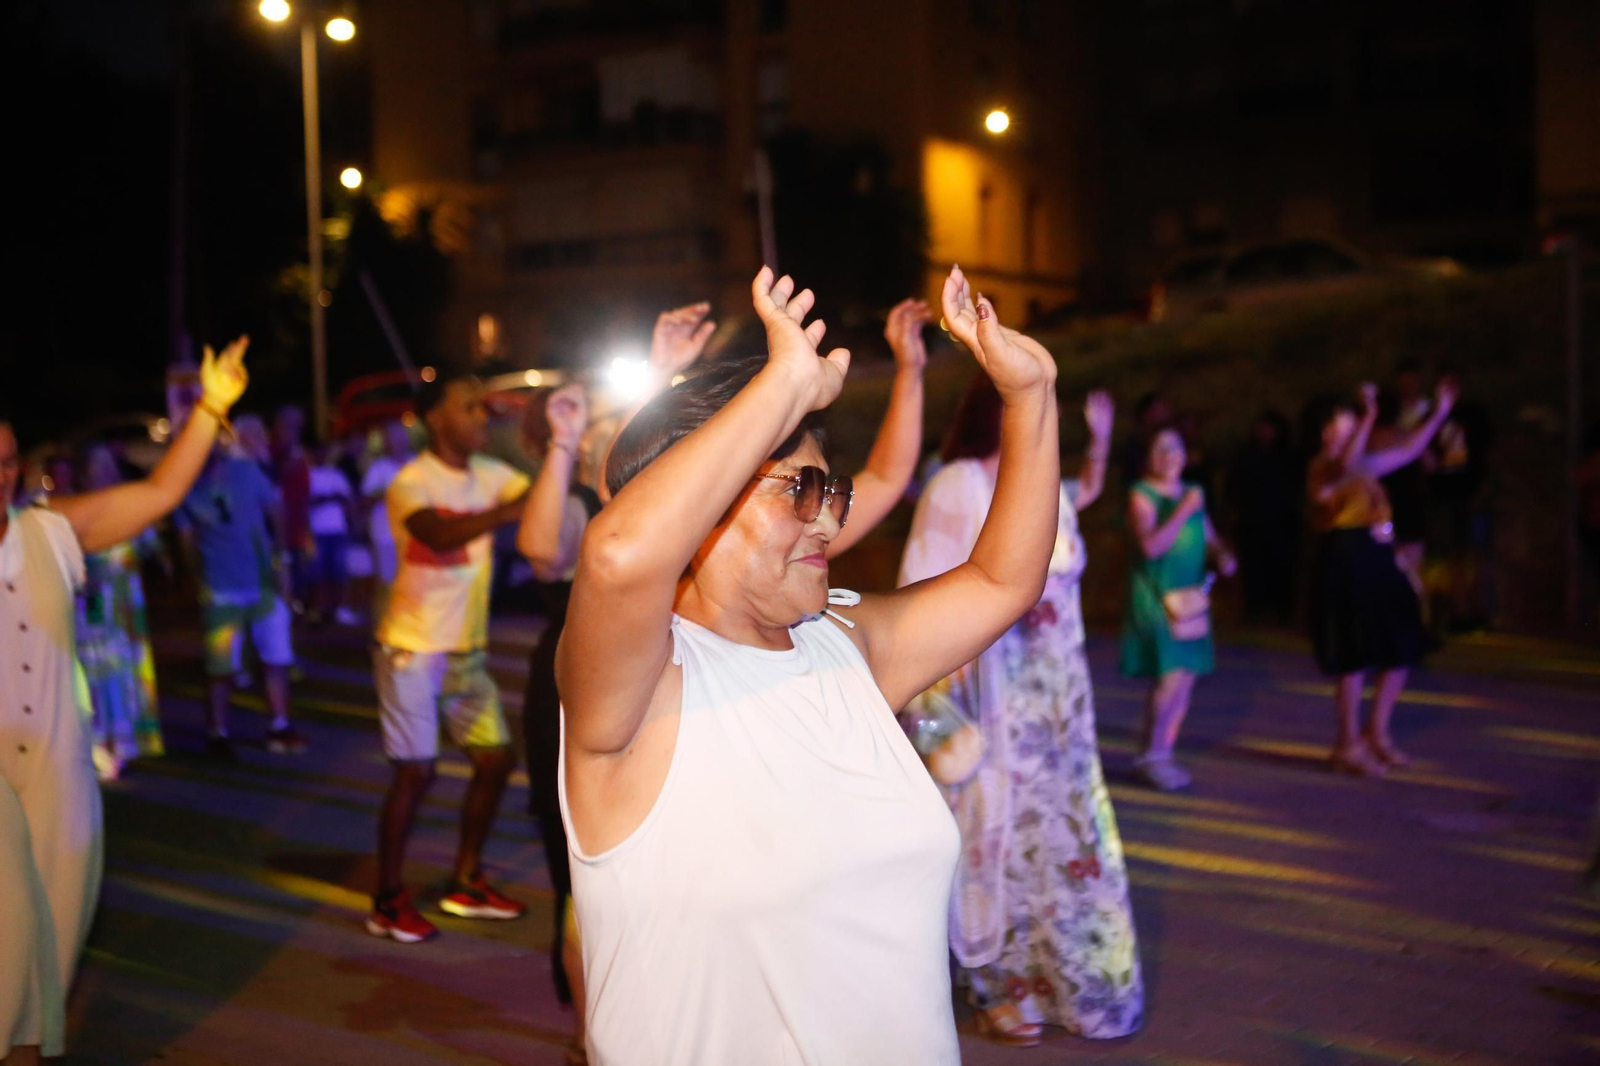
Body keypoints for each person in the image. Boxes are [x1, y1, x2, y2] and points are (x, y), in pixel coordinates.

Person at [557, 265, 1059, 1065]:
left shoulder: (846, 646)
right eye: (801, 489)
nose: (826, 520)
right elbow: (619, 554)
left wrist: (1031, 397)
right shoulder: (640, 692)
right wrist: (784, 384)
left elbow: (1003, 580)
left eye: (834, 493)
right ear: (701, 503)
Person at [519, 296, 931, 1063]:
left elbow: (881, 478)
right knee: (605, 892)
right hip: (604, 681)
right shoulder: (619, 511)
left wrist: (906, 368)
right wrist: (774, 388)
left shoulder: (776, 528)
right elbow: (594, 547)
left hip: (709, 680)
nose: (821, 517)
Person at [1, 338, 249, 1065]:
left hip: (58, 771)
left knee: (54, 937)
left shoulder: (51, 531)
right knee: (10, 936)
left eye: (10, 459)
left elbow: (162, 494)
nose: (1, 473)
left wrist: (209, 407)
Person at [900, 382, 1142, 1045]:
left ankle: (1062, 982)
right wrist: (940, 706)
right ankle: (992, 988)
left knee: (1060, 842)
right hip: (989, 700)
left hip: (1059, 706)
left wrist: (1099, 438)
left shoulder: (1050, 485)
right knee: (989, 838)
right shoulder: (957, 484)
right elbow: (922, 591)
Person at [366, 371, 537, 944]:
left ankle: (466, 879)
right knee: (415, 773)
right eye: (469, 408)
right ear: (436, 417)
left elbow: (544, 496)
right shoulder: (410, 482)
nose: (481, 418)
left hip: (467, 652)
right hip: (414, 651)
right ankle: (388, 899)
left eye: (483, 409)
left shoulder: (494, 475)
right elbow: (436, 536)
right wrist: (509, 512)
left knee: (494, 759)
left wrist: (547, 444)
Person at [1306, 379, 1458, 776]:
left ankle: (1378, 733)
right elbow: (1341, 470)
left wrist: (1438, 413)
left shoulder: (1363, 465)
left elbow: (1407, 451)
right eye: (1340, 424)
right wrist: (1369, 415)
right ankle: (1347, 744)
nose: (1346, 430)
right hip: (1344, 557)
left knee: (1401, 646)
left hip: (1376, 555)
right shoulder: (1323, 466)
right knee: (1353, 655)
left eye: (1348, 422)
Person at [175, 428, 307, 761]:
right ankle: (217, 733)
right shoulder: (185, 488)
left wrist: (281, 559)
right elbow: (186, 542)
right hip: (222, 592)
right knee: (220, 667)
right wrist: (199, 577)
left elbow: (276, 511)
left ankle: (279, 724)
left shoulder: (246, 471)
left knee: (275, 659)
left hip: (263, 583)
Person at [1120, 426, 1237, 791]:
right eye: (1161, 449)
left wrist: (1223, 555)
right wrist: (1183, 510)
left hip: (1189, 601)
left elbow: (1211, 537)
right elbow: (1152, 547)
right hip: (1156, 597)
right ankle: (1149, 756)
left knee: (1185, 679)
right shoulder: (1142, 495)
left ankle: (1162, 753)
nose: (1170, 456)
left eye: (1176, 448)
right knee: (1169, 678)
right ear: (1148, 457)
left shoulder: (1193, 494)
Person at [76, 444, 168, 781]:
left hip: (124, 606)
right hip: (91, 606)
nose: (101, 474)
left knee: (122, 673)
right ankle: (97, 744)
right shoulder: (80, 512)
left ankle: (120, 743)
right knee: (95, 673)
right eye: (94, 468)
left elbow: (151, 548)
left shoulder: (127, 510)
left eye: (106, 467)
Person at [1227, 410, 1300, 625]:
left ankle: (1282, 611)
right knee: (1254, 567)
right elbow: (1234, 487)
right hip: (1252, 521)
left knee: (1281, 566)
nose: (1263, 432)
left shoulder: (1289, 456)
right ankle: (1254, 611)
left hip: (1282, 522)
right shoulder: (1246, 455)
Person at [361, 419, 415, 625]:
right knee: (386, 583)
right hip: (384, 535)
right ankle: (382, 628)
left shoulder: (415, 463)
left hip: (412, 534)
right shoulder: (379, 468)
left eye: (398, 438)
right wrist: (387, 493)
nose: (395, 443)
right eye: (390, 439)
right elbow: (365, 499)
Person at [305, 442, 359, 626]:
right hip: (315, 532)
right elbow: (304, 502)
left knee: (340, 573)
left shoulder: (336, 475)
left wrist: (353, 524)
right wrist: (328, 498)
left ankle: (341, 610)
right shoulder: (306, 475)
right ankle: (318, 610)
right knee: (316, 574)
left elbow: (347, 501)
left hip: (338, 531)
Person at [270, 405, 314, 614]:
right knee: (280, 576)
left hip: (298, 527)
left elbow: (305, 492)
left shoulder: (299, 451)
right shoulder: (272, 450)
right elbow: (271, 481)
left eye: (298, 425)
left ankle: (293, 614)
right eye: (290, 425)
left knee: (299, 576)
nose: (295, 429)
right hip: (278, 528)